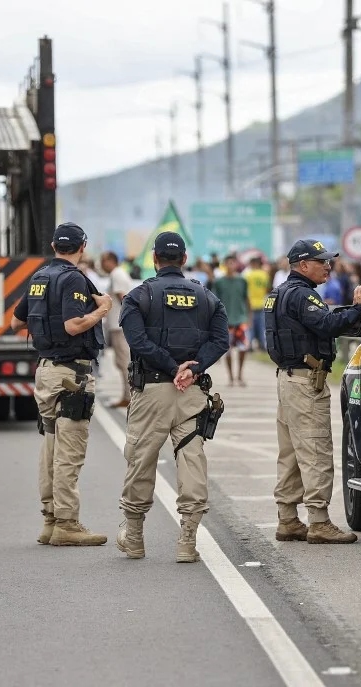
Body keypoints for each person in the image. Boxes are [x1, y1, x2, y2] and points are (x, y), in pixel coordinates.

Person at [116, 231, 229, 563]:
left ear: (154, 259)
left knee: (141, 460)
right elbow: (221, 341)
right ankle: (187, 541)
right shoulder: (207, 297)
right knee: (191, 460)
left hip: (151, 392)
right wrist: (191, 370)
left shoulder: (139, 296)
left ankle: (134, 537)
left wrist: (169, 366)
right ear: (183, 259)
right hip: (192, 393)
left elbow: (136, 340)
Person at [10, 222, 112, 547]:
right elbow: (72, 325)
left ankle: (50, 520)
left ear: (54, 246)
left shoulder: (39, 277)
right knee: (69, 450)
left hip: (45, 371)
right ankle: (67, 523)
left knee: (50, 446)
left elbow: (15, 322)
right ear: (83, 247)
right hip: (72, 375)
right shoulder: (73, 279)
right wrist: (102, 311)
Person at [265, 239, 361, 544]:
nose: (328, 266)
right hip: (306, 382)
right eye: (321, 261)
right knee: (315, 451)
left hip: (288, 380)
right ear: (303, 265)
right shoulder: (302, 295)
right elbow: (325, 325)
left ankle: (288, 519)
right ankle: (319, 522)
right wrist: (358, 308)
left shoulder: (279, 293)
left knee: (291, 455)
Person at [100, 251, 134, 408]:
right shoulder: (118, 274)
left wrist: (127, 321)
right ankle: (126, 396)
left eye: (103, 261)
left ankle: (130, 397)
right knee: (120, 362)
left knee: (124, 362)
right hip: (117, 326)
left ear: (110, 261)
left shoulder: (117, 274)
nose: (101, 265)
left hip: (119, 327)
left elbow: (124, 298)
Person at [211, 254, 249, 386]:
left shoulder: (242, 281)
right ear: (224, 265)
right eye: (228, 263)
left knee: (243, 348)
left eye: (233, 263)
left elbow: (246, 299)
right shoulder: (219, 282)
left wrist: (248, 318)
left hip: (240, 319)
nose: (231, 265)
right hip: (226, 321)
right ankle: (231, 377)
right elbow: (215, 302)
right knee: (227, 350)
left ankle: (240, 375)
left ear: (236, 265)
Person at [244, 255, 270, 352]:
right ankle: (262, 344)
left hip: (250, 303)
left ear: (252, 264)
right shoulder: (264, 274)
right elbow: (267, 288)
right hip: (261, 302)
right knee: (262, 326)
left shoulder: (248, 275)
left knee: (250, 326)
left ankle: (249, 345)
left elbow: (245, 290)